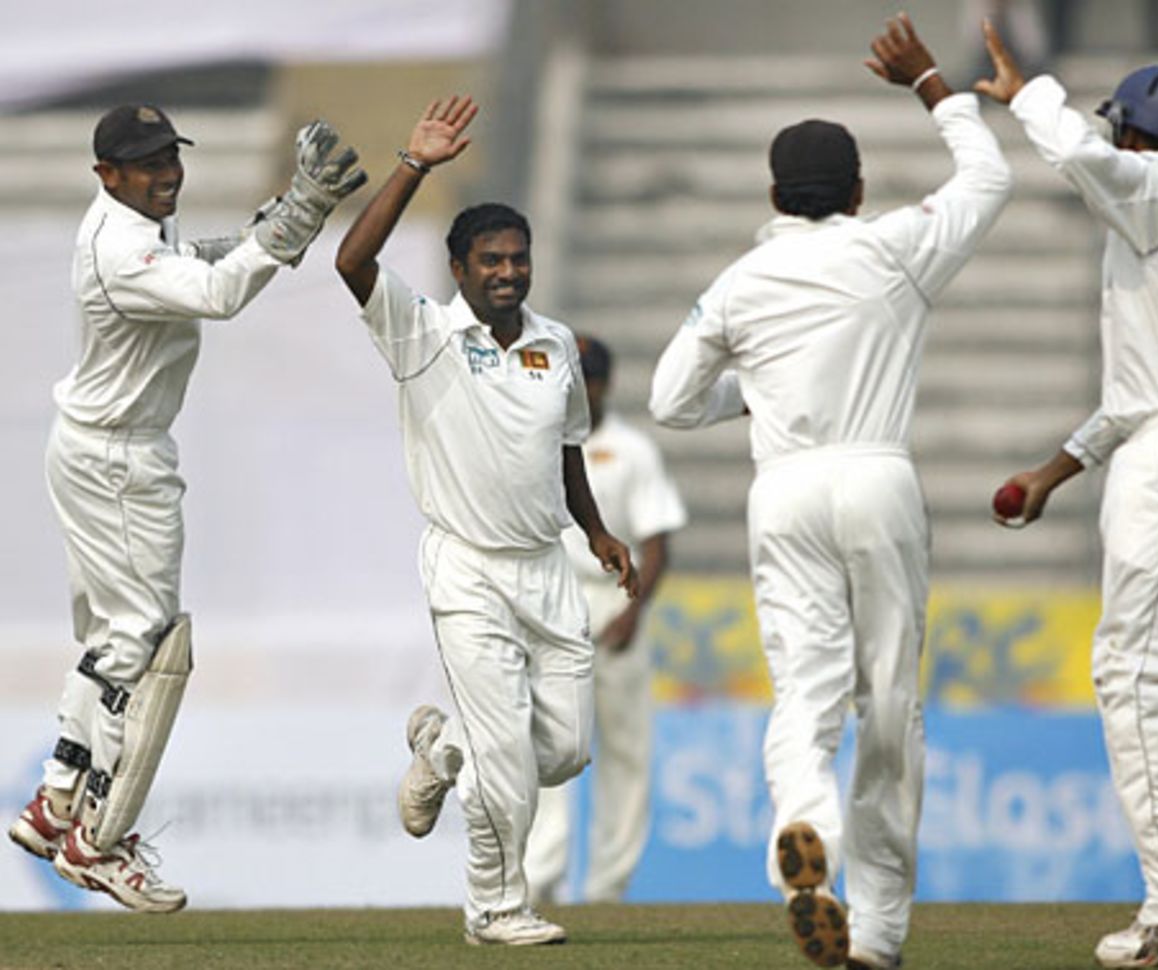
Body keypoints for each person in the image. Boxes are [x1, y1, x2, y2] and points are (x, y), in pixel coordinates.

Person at [648, 14, 1012, 970]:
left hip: (787, 486)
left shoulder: (741, 280)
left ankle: (804, 838)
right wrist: (933, 81)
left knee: (803, 701)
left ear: (773, 193)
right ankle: (881, 937)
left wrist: (762, 397)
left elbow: (669, 401)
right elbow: (990, 179)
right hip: (879, 473)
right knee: (889, 708)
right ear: (856, 190)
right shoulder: (892, 247)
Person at [7, 105, 366, 911]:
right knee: (148, 643)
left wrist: (279, 218)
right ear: (106, 173)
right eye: (145, 162)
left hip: (96, 446)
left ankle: (55, 799)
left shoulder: (137, 222)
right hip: (121, 459)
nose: (166, 171)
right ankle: (97, 842)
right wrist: (301, 212)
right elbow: (217, 292)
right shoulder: (119, 243)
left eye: (171, 155)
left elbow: (209, 259)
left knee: (111, 636)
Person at [978, 21, 1158, 969]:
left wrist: (1027, 96)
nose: (1114, 148)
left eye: (1121, 134)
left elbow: (1079, 157)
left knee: (1137, 679)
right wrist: (1051, 473)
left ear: (1140, 136)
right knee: (1150, 679)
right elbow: (1133, 397)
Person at [333, 96, 637, 947]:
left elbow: (568, 447)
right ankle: (495, 909)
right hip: (466, 566)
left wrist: (598, 531)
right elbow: (353, 261)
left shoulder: (557, 346)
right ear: (460, 269)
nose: (508, 272)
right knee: (508, 760)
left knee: (566, 751)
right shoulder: (422, 332)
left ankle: (441, 751)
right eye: (490, 261)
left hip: (547, 565)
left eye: (518, 259)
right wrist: (415, 163)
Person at [524, 335, 687, 905]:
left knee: (624, 748)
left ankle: (608, 887)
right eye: (576, 377)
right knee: (550, 743)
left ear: (606, 384)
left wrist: (634, 614)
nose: (583, 388)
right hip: (552, 599)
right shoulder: (539, 440)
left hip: (613, 598)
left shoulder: (633, 450)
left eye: (592, 377)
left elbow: (657, 542)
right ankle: (540, 878)